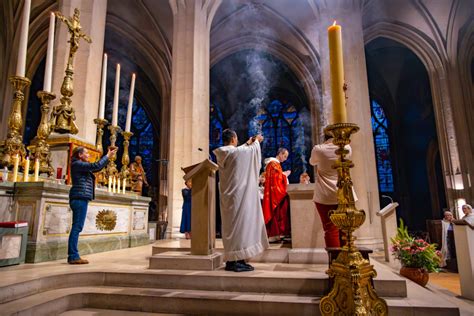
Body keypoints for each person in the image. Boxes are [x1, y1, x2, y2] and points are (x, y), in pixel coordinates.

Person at [213, 129, 269, 272]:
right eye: (236, 139)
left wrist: (249, 142)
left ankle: (236, 259)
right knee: (240, 228)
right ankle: (235, 261)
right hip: (238, 198)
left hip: (228, 199)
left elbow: (241, 150)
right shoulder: (236, 153)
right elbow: (246, 151)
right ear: (233, 139)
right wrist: (256, 141)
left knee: (233, 229)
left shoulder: (224, 153)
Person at [68, 146, 117, 264]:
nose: (89, 155)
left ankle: (73, 255)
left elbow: (94, 167)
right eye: (86, 153)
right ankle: (73, 256)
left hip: (81, 197)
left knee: (77, 227)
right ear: (80, 155)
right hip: (79, 198)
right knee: (77, 227)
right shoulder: (77, 164)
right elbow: (96, 166)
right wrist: (107, 156)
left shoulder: (79, 165)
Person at [309, 134, 356, 248]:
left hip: (325, 194)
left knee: (330, 229)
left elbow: (312, 162)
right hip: (345, 193)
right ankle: (347, 261)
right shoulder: (346, 148)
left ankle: (335, 262)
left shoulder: (319, 149)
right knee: (346, 229)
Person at [262, 148, 291, 242]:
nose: (285, 159)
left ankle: (278, 234)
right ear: (280, 154)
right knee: (276, 212)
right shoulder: (273, 164)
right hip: (274, 194)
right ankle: (274, 235)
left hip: (273, 193)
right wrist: (284, 175)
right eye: (285, 156)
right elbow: (276, 180)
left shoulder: (275, 164)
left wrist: (282, 174)